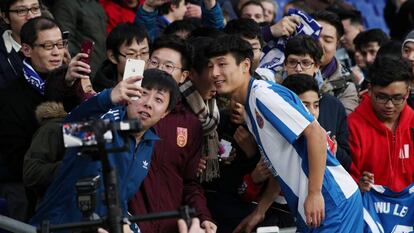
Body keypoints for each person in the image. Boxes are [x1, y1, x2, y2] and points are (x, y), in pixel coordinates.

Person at [206, 35, 363, 233]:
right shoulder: (250, 105)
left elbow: (315, 134)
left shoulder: (263, 95)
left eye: (222, 64)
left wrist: (314, 193)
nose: (215, 73)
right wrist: (260, 211)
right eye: (210, 66)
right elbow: (280, 165)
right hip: (313, 205)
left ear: (245, 65)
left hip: (331, 200)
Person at [30, 69, 180, 232]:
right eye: (143, 93)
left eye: (158, 99)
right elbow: (69, 131)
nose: (148, 103)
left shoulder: (148, 143)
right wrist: (107, 98)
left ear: (165, 113)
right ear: (129, 96)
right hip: (58, 227)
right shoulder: (108, 125)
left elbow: (119, 196)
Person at [0, 16, 88, 221]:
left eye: (60, 44)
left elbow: (89, 131)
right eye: (48, 46)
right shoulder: (10, 97)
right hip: (28, 196)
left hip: (75, 188)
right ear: (27, 50)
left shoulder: (75, 86)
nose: (57, 52)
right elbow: (18, 163)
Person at [129, 36, 216, 233]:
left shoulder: (191, 123)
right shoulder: (124, 107)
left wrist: (203, 217)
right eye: (154, 62)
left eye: (168, 66)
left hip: (171, 226)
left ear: (184, 75)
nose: (158, 70)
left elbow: (190, 182)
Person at [280, 35, 352, 170]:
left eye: (306, 63)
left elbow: (347, 162)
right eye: (292, 62)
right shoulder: (272, 101)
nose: (299, 68)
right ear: (285, 65)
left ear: (317, 66)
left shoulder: (333, 106)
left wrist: (332, 149)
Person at [348, 56, 414, 192]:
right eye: (382, 97)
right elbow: (345, 179)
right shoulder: (353, 126)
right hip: (368, 208)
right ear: (370, 90)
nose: (389, 105)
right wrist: (358, 186)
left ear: (407, 93)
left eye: (397, 98)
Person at [311, 10, 359, 114]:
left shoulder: (347, 84)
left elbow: (341, 124)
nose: (319, 44)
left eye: (327, 40)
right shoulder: (285, 65)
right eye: (314, 37)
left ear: (337, 45)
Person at [52, 0, 107, 78]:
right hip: (83, 71)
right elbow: (66, 40)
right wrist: (80, 65)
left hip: (100, 69)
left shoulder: (95, 4)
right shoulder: (66, 4)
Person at [92, 23, 150, 92]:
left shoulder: (155, 84)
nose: (139, 60)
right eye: (131, 54)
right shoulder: (98, 91)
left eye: (144, 53)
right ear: (112, 56)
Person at [0, 0, 42, 89]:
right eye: (21, 11)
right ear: (5, 17)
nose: (31, 16)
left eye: (35, 8)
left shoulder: (55, 44)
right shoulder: (3, 52)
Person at [135, 0, 224, 41]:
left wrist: (210, 2)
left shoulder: (192, 24)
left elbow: (214, 35)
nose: (187, 7)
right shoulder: (159, 31)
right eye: (184, 4)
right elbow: (145, 38)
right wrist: (148, 7)